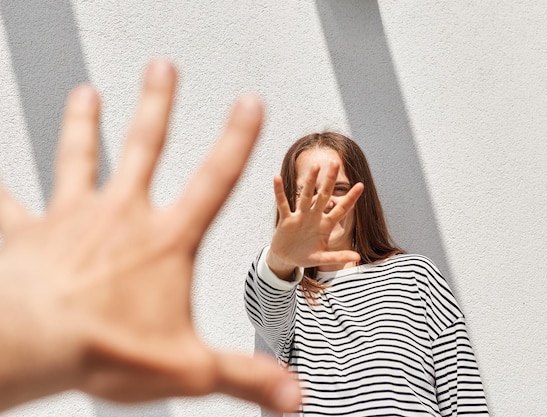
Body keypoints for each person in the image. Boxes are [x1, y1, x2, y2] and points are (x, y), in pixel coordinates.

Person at [0, 59, 301, 413]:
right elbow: (271, 315)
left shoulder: (385, 274)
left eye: (338, 187)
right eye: (309, 190)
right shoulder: (284, 281)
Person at [245, 132, 489, 416]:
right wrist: (281, 257)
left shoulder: (416, 278)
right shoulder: (289, 297)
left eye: (338, 188)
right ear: (291, 201)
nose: (325, 202)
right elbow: (265, 300)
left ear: (361, 196)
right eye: (309, 190)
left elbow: (464, 397)